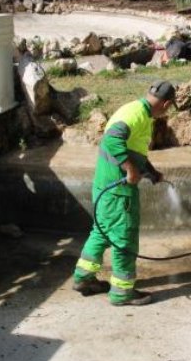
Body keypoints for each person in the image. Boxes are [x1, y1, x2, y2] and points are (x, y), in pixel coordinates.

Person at [72, 80, 176, 306]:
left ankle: (83, 278)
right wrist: (130, 170)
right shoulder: (138, 116)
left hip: (104, 186)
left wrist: (151, 172)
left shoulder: (135, 110)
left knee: (101, 232)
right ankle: (122, 292)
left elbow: (133, 150)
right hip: (119, 191)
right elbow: (112, 141)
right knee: (124, 240)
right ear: (166, 104)